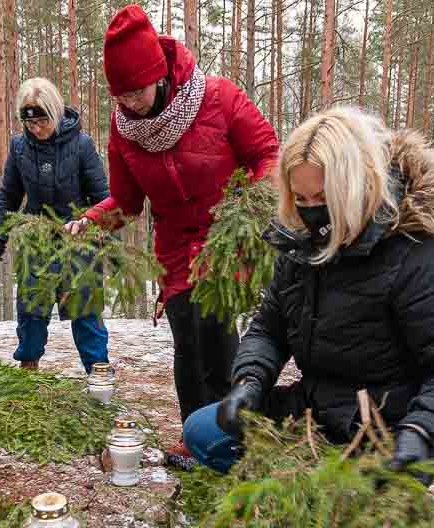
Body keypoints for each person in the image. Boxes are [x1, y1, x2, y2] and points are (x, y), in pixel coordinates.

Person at [181, 107, 434, 482]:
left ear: (357, 186)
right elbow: (269, 329)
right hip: (317, 409)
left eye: (322, 198)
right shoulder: (303, 249)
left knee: (317, 522)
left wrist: (421, 432)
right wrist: (249, 383)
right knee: (204, 429)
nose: (311, 213)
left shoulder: (422, 258)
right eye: (301, 199)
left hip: (387, 431)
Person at [65, 4, 279, 468]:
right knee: (187, 341)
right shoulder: (124, 134)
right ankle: (195, 439)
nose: (131, 103)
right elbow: (125, 203)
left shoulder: (219, 98)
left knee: (218, 337)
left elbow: (268, 154)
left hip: (227, 237)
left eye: (137, 91)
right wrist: (90, 220)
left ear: (158, 74)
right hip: (176, 249)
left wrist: (253, 206)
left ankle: (234, 438)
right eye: (120, 95)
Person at [0, 77, 111, 373]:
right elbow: (9, 195)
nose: (37, 129)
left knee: (85, 312)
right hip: (36, 241)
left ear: (54, 113)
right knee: (31, 311)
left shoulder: (82, 145)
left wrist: (101, 234)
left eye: (42, 121)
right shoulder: (19, 148)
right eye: (30, 123)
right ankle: (28, 374)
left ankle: (99, 377)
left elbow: (104, 196)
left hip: (79, 241)